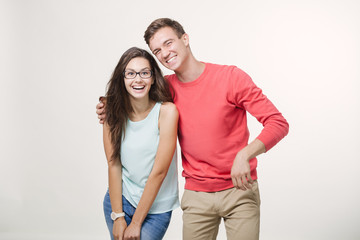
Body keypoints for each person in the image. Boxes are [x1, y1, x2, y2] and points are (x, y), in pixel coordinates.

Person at [97, 18, 289, 240]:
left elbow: (277, 123)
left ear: (185, 39)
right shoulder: (165, 88)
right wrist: (106, 106)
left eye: (168, 43)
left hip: (240, 190)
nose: (165, 53)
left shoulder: (231, 77)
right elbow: (130, 92)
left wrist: (245, 154)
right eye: (157, 50)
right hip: (197, 195)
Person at [102, 46, 179, 240]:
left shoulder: (167, 112)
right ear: (122, 79)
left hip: (156, 208)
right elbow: (113, 164)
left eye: (145, 73)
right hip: (120, 201)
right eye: (130, 73)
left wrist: (135, 223)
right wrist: (118, 216)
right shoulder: (112, 112)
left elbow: (159, 172)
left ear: (153, 78)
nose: (138, 79)